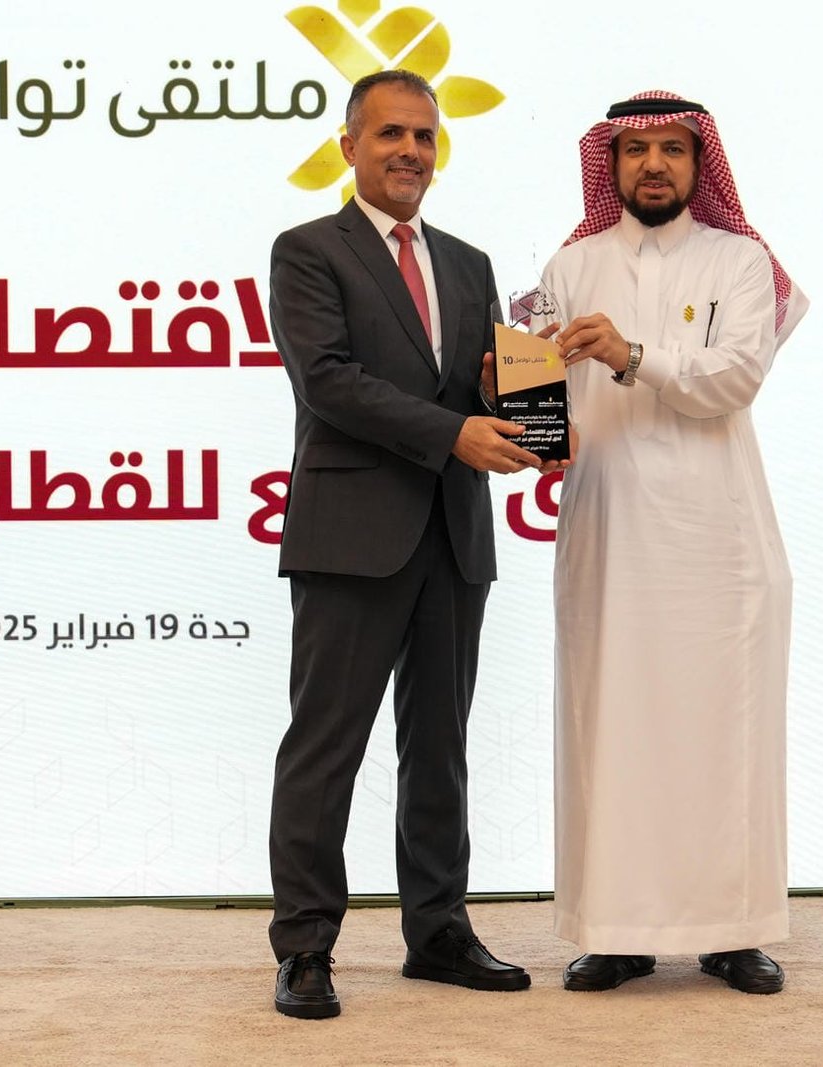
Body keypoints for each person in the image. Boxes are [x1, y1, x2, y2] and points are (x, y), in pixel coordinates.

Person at [265, 69, 542, 1019]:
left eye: (424, 136)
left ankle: (438, 931)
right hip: (352, 536)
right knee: (325, 747)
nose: (410, 152)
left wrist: (539, 409)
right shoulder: (308, 251)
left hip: (454, 536)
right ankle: (306, 946)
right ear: (349, 146)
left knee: (439, 748)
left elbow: (480, 385)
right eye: (390, 134)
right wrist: (454, 433)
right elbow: (329, 381)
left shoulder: (469, 263)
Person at [540, 90, 809, 995]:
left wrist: (630, 354)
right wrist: (521, 413)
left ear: (700, 164)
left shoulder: (741, 261)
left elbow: (734, 377)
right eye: (635, 151)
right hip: (610, 532)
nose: (652, 165)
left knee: (723, 731)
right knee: (610, 726)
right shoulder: (570, 266)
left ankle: (735, 931)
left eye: (671, 150)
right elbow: (541, 393)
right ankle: (613, 930)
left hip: (717, 540)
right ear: (610, 165)